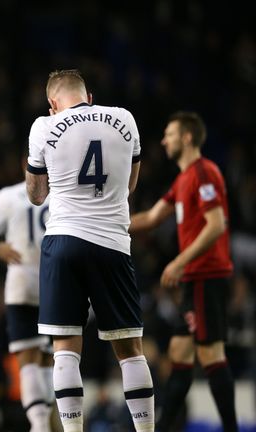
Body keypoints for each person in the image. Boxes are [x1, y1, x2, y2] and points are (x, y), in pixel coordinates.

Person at [25, 69, 153, 432]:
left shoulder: (44, 126)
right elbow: (130, 185)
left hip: (64, 240)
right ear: (89, 96)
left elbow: (36, 196)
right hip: (113, 242)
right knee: (130, 348)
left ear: (53, 103)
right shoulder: (124, 119)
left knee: (65, 347)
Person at [129, 111, 236, 432]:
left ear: (187, 137)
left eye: (170, 134)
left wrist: (178, 261)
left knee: (210, 353)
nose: (164, 140)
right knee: (179, 351)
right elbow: (149, 218)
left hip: (207, 275)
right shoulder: (183, 179)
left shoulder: (204, 173)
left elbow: (216, 225)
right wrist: (102, 222)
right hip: (194, 279)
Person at [0, 155, 54, 432]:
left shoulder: (7, 196)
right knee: (51, 357)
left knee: (27, 358)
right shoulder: (65, 197)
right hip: (56, 286)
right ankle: (48, 422)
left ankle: (38, 424)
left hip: (21, 286)